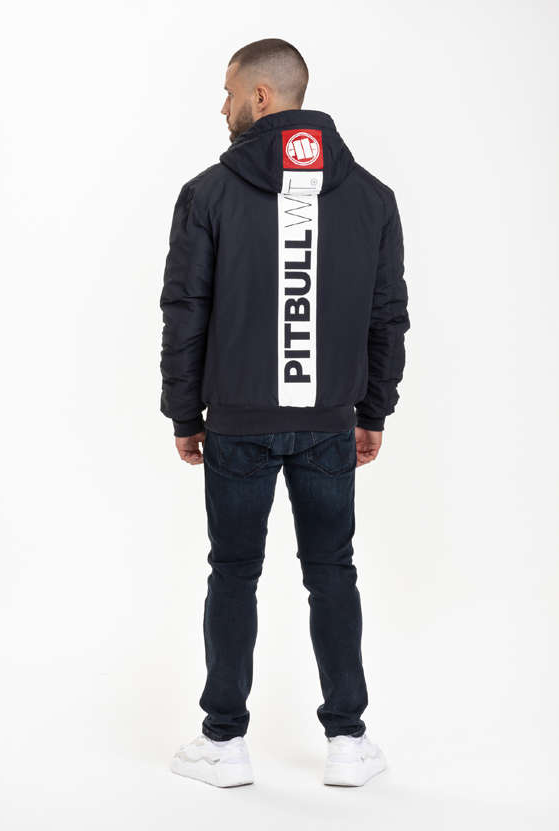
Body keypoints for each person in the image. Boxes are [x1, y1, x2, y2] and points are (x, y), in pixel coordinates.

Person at [159, 38, 410, 788]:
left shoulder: (208, 193)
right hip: (329, 418)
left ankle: (223, 743)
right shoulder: (371, 197)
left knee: (233, 573)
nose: (223, 105)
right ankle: (348, 742)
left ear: (261, 97)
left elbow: (185, 312)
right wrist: (373, 410)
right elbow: (388, 316)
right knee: (332, 571)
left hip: (238, 421)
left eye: (229, 90)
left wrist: (184, 414)